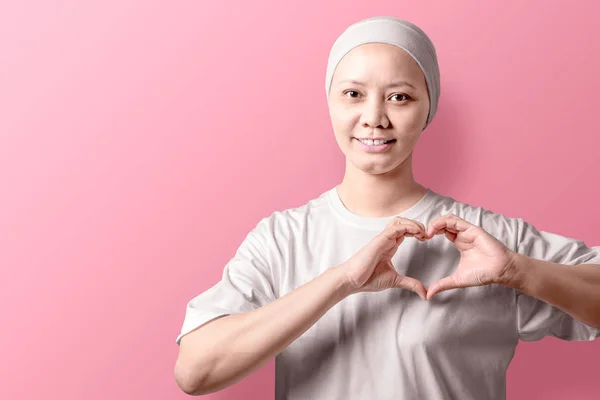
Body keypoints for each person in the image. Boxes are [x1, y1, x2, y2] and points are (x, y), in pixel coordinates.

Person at [173, 16, 600, 400]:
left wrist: (517, 271)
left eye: (399, 97)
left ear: (427, 107)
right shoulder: (282, 240)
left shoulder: (486, 240)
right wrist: (341, 282)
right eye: (353, 94)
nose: (374, 117)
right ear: (331, 102)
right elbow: (195, 371)